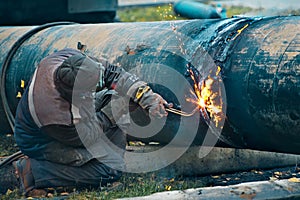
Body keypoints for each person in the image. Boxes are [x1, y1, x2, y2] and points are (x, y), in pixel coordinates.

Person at [0, 48, 170, 197]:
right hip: (42, 140)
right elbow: (86, 136)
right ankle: (34, 171)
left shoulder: (71, 59)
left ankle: (110, 156)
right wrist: (111, 114)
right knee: (108, 171)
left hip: (74, 115)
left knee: (114, 98)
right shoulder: (55, 114)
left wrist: (147, 97)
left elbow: (112, 73)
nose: (101, 84)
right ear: (77, 93)